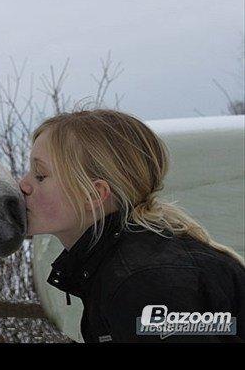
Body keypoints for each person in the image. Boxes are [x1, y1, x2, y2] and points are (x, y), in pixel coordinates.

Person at [19, 108, 245, 343]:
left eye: (41, 176)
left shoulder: (145, 282)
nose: (23, 185)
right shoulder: (119, 267)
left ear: (94, 195)